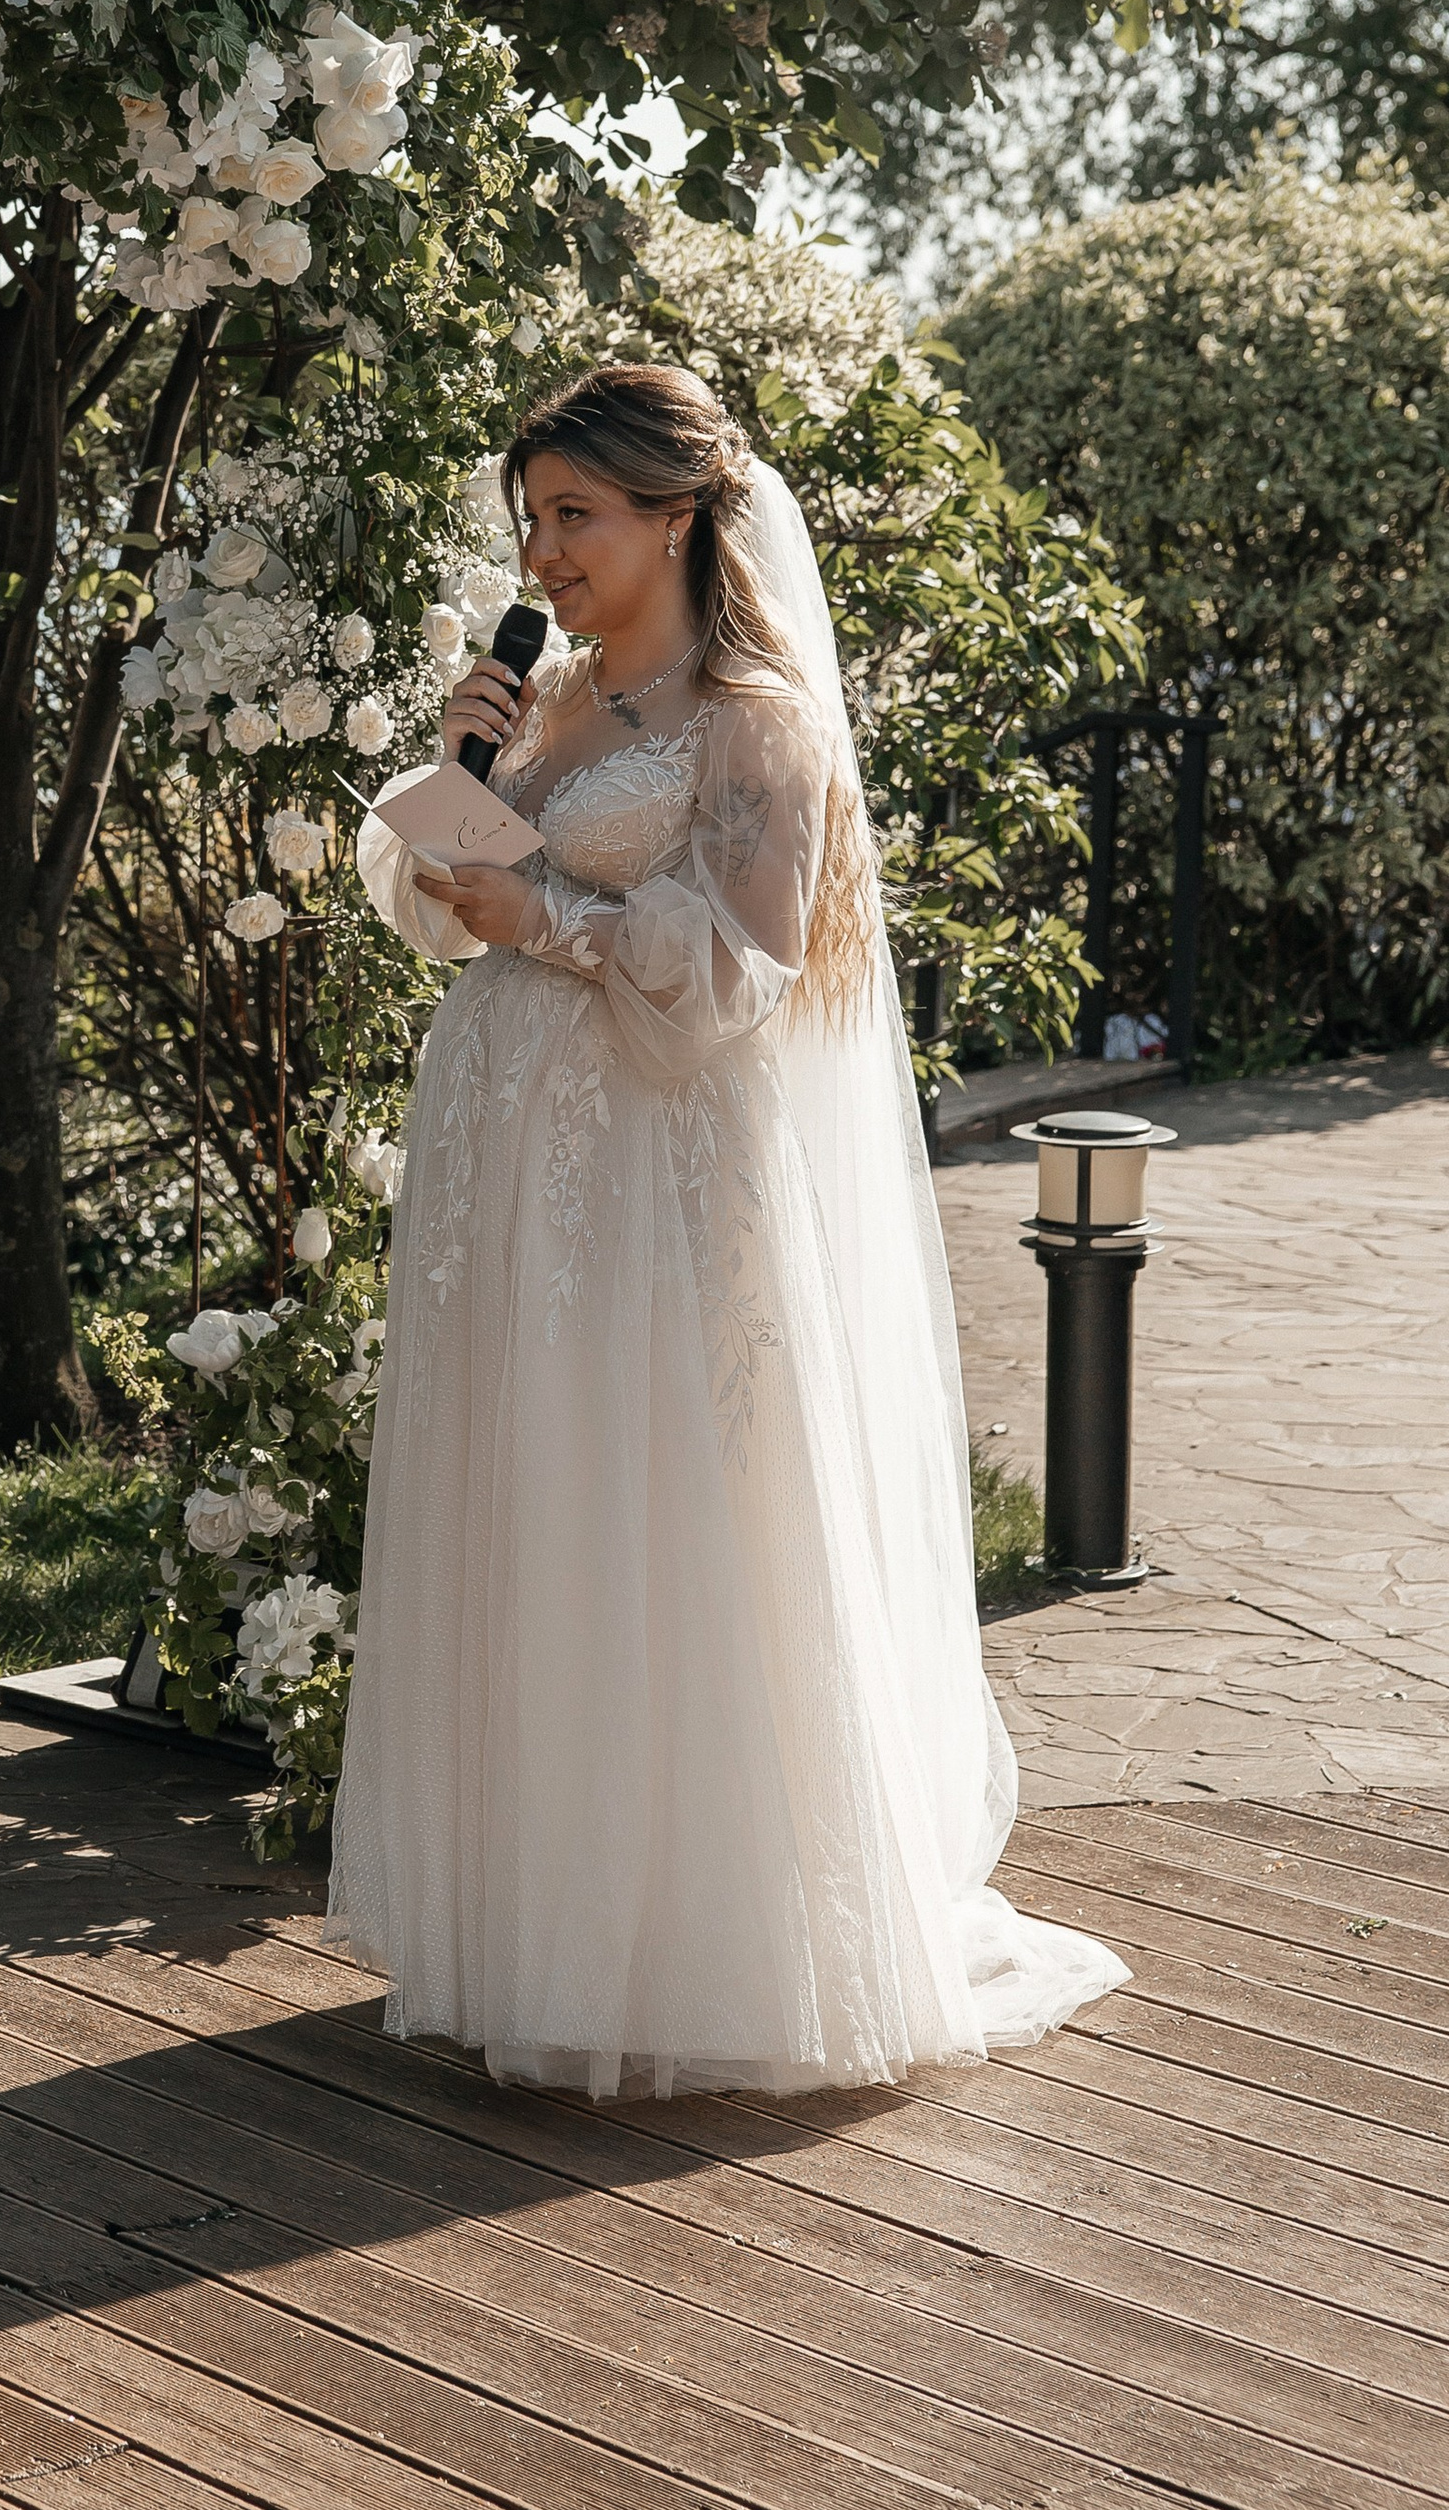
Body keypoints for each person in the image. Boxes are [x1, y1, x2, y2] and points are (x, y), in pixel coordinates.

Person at [328, 363, 1127, 2098]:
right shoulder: (538, 711)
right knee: (531, 1500)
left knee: (656, 1507)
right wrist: (455, 777)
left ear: (677, 516)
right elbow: (429, 906)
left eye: (574, 516)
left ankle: (694, 1939)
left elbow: (744, 973)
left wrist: (539, 910)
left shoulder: (755, 722)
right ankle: (527, 1919)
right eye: (530, 518)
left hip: (653, 1180)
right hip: (502, 1180)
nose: (541, 553)